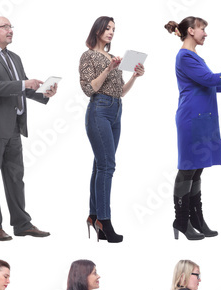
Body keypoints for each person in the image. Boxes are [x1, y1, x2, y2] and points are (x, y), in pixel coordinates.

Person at [164, 16, 221, 240]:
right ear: (191, 31)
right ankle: (181, 221)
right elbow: (212, 78)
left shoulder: (195, 57)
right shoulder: (184, 56)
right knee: (187, 169)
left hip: (203, 119)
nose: (206, 33)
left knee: (198, 168)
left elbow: (215, 86)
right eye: (203, 29)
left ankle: (197, 219)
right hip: (192, 119)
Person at [0, 17, 56, 241]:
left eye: (11, 27)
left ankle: (22, 224)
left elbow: (23, 87)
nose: (10, 31)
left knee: (16, 177)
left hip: (13, 127)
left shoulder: (14, 58)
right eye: (5, 27)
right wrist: (23, 84)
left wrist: (43, 93)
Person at [79, 16, 145, 243]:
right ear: (97, 30)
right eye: (107, 28)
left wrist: (134, 76)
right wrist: (108, 69)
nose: (110, 32)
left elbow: (121, 91)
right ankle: (104, 221)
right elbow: (89, 89)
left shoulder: (112, 57)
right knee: (107, 165)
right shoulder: (89, 55)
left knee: (100, 165)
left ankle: (94, 215)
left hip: (116, 109)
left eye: (113, 29)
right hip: (99, 110)